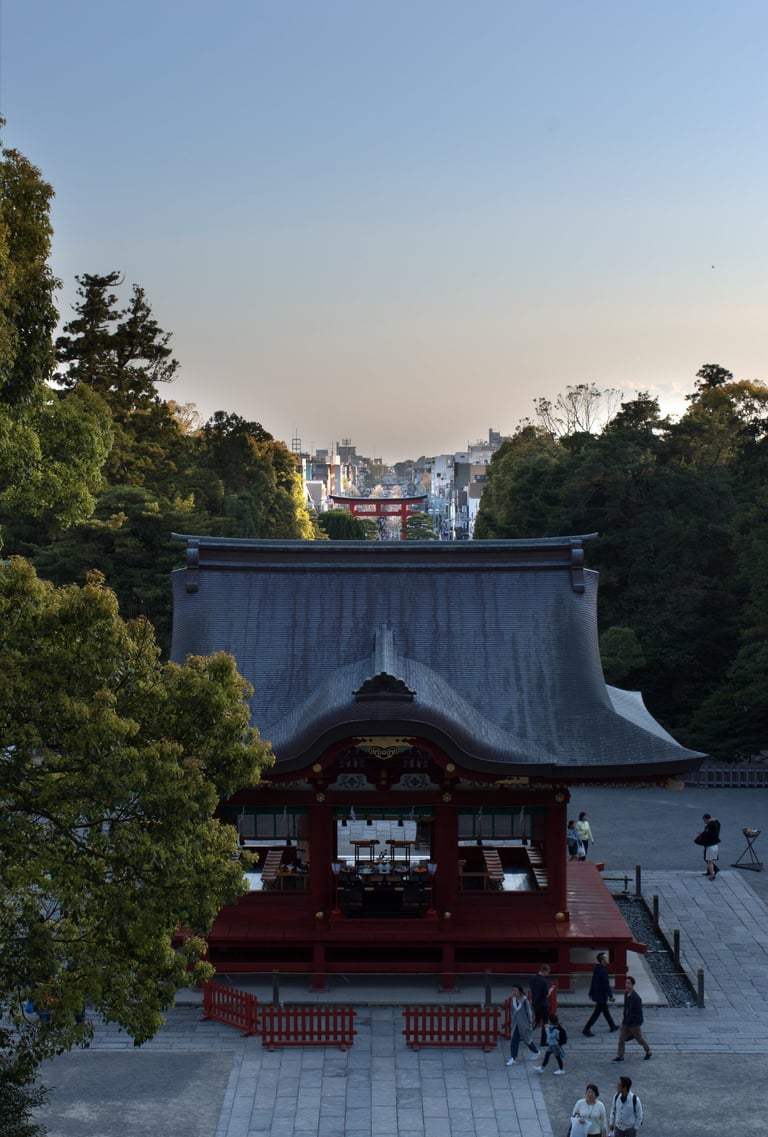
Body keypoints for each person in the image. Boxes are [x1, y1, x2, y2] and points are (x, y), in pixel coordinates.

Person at [612, 976, 651, 1061]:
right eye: (626, 983)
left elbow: (639, 1013)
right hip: (626, 1022)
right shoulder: (626, 994)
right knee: (621, 1040)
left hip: (634, 1024)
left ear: (633, 985)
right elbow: (626, 1008)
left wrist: (636, 1023)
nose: (626, 985)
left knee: (639, 1039)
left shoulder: (636, 998)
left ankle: (648, 1051)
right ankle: (620, 1056)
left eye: (628, 983)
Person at [582, 952, 617, 1035]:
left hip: (598, 993)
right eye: (606, 958)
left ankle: (612, 1025)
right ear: (602, 960)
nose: (607, 959)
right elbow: (606, 985)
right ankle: (586, 1029)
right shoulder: (603, 970)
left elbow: (593, 981)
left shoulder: (597, 968)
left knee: (605, 1011)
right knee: (596, 1013)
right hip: (602, 995)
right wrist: (610, 996)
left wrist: (591, 992)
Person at [505, 984, 541, 1065]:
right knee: (514, 1040)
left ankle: (536, 1051)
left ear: (520, 991)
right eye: (513, 990)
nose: (514, 992)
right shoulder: (513, 1000)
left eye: (515, 990)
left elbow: (529, 1013)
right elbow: (512, 1011)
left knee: (527, 1040)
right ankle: (513, 1057)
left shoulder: (525, 1001)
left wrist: (530, 1023)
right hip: (516, 1024)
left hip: (524, 1024)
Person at [530, 963, 555, 1045]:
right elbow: (546, 995)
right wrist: (551, 990)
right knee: (545, 1022)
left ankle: (524, 1034)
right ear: (544, 971)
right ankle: (543, 1041)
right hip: (543, 1004)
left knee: (537, 1021)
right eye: (548, 972)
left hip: (535, 1002)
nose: (548, 974)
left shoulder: (533, 978)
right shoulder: (544, 981)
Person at [698, 812, 721, 879]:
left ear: (705, 819)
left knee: (709, 860)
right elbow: (719, 824)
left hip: (710, 845)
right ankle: (709, 871)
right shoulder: (716, 826)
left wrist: (701, 834)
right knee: (707, 859)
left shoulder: (710, 828)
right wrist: (716, 820)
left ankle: (712, 874)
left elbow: (707, 835)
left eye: (704, 820)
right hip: (714, 845)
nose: (704, 822)